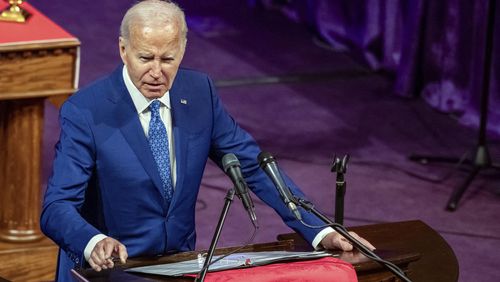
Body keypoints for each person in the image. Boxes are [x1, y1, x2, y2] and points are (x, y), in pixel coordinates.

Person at [41, 1, 374, 281]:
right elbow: (56, 206)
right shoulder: (86, 110)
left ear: (183, 50)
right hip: (111, 272)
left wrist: (320, 230)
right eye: (146, 58)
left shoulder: (199, 93)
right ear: (123, 49)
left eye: (168, 59)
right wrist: (94, 241)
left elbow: (254, 167)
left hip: (180, 267)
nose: (157, 71)